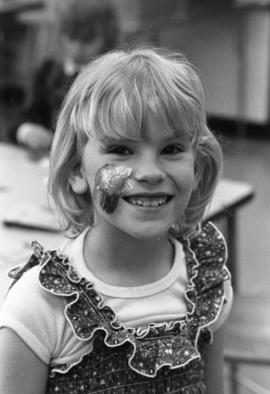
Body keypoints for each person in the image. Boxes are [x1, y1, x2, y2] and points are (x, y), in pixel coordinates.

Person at [0, 47, 233, 393]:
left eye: (171, 149)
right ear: (77, 170)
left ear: (196, 168)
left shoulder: (206, 286)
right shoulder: (40, 306)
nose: (150, 172)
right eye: (121, 150)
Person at [10, 0, 119, 151]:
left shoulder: (112, 77)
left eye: (87, 40)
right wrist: (26, 131)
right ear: (61, 35)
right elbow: (26, 116)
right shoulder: (48, 71)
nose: (77, 48)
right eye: (71, 38)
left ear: (107, 37)